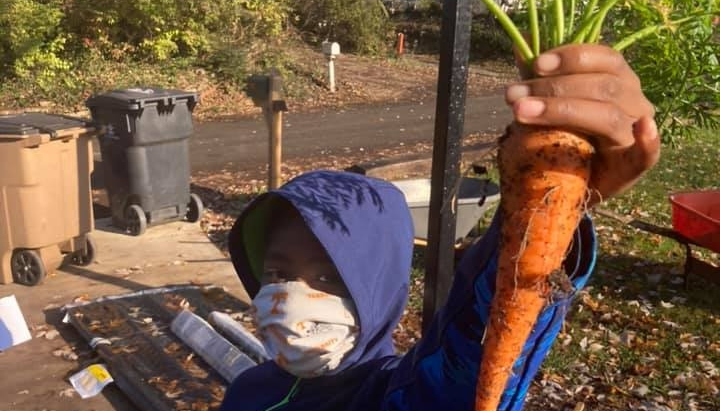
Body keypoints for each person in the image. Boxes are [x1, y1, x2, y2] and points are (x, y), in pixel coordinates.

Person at [219, 44, 660, 411]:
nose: (290, 297)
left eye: (326, 277)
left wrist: (550, 214)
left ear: (377, 288)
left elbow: (471, 354)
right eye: (277, 274)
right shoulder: (250, 391)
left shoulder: (395, 395)